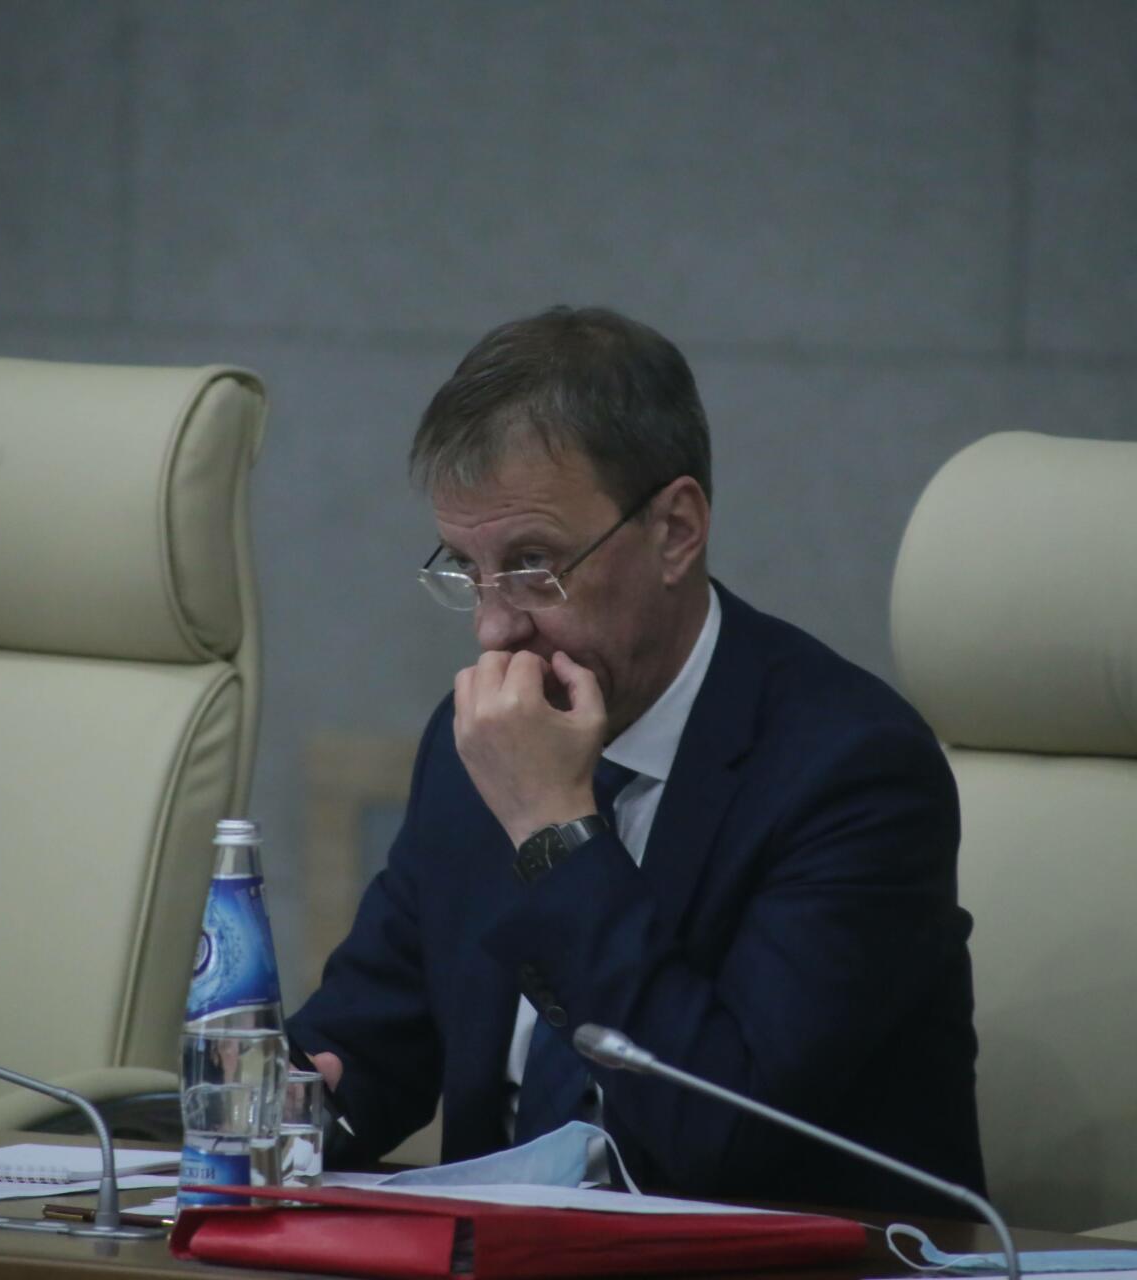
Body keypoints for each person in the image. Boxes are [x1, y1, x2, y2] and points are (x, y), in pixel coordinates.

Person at [286, 305, 983, 1211]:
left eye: (534, 564)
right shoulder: (478, 752)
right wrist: (293, 1105)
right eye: (467, 567)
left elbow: (723, 1141)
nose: (494, 628)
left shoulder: (852, 771)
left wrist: (552, 829)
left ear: (675, 531)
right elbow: (368, 1047)